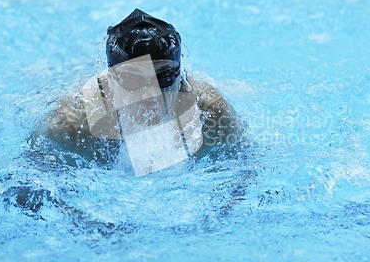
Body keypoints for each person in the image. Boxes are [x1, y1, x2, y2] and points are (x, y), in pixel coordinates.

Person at [31, 9, 246, 174]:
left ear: (179, 75)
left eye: (162, 77)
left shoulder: (209, 112)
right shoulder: (73, 124)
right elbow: (30, 177)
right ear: (112, 79)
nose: (149, 95)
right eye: (133, 80)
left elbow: (244, 168)